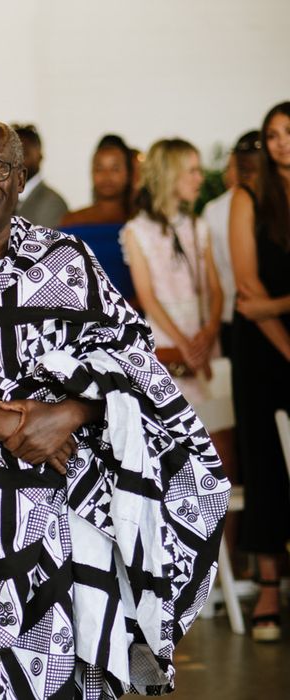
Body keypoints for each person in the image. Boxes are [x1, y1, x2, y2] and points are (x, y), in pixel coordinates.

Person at [0, 117, 228, 699]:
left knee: (63, 673)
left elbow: (133, 364)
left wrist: (72, 414)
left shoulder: (69, 261)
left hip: (60, 515)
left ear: (21, 177)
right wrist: (21, 423)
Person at [229, 101, 290, 643]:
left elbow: (265, 300)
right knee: (265, 463)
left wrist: (278, 304)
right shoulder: (248, 198)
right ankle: (269, 589)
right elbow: (248, 295)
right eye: (273, 135)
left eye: (289, 133)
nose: (280, 143)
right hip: (262, 352)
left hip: (278, 330)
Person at [120, 138, 223, 407]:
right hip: (167, 337)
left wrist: (209, 332)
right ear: (170, 175)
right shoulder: (137, 231)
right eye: (192, 171)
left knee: (218, 423)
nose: (199, 178)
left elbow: (215, 288)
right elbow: (147, 298)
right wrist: (184, 345)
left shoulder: (198, 226)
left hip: (202, 335)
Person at [202, 131, 261, 357]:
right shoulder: (214, 209)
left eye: (232, 167)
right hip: (234, 310)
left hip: (233, 310)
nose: (229, 173)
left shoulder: (214, 209)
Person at [59, 134, 136, 301]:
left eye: (115, 169)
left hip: (135, 315)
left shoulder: (139, 221)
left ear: (128, 174)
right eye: (99, 169)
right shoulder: (71, 221)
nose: (107, 176)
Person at [13, 123, 68, 229]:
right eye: (13, 154)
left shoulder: (53, 203)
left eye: (25, 153)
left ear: (40, 156)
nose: (18, 160)